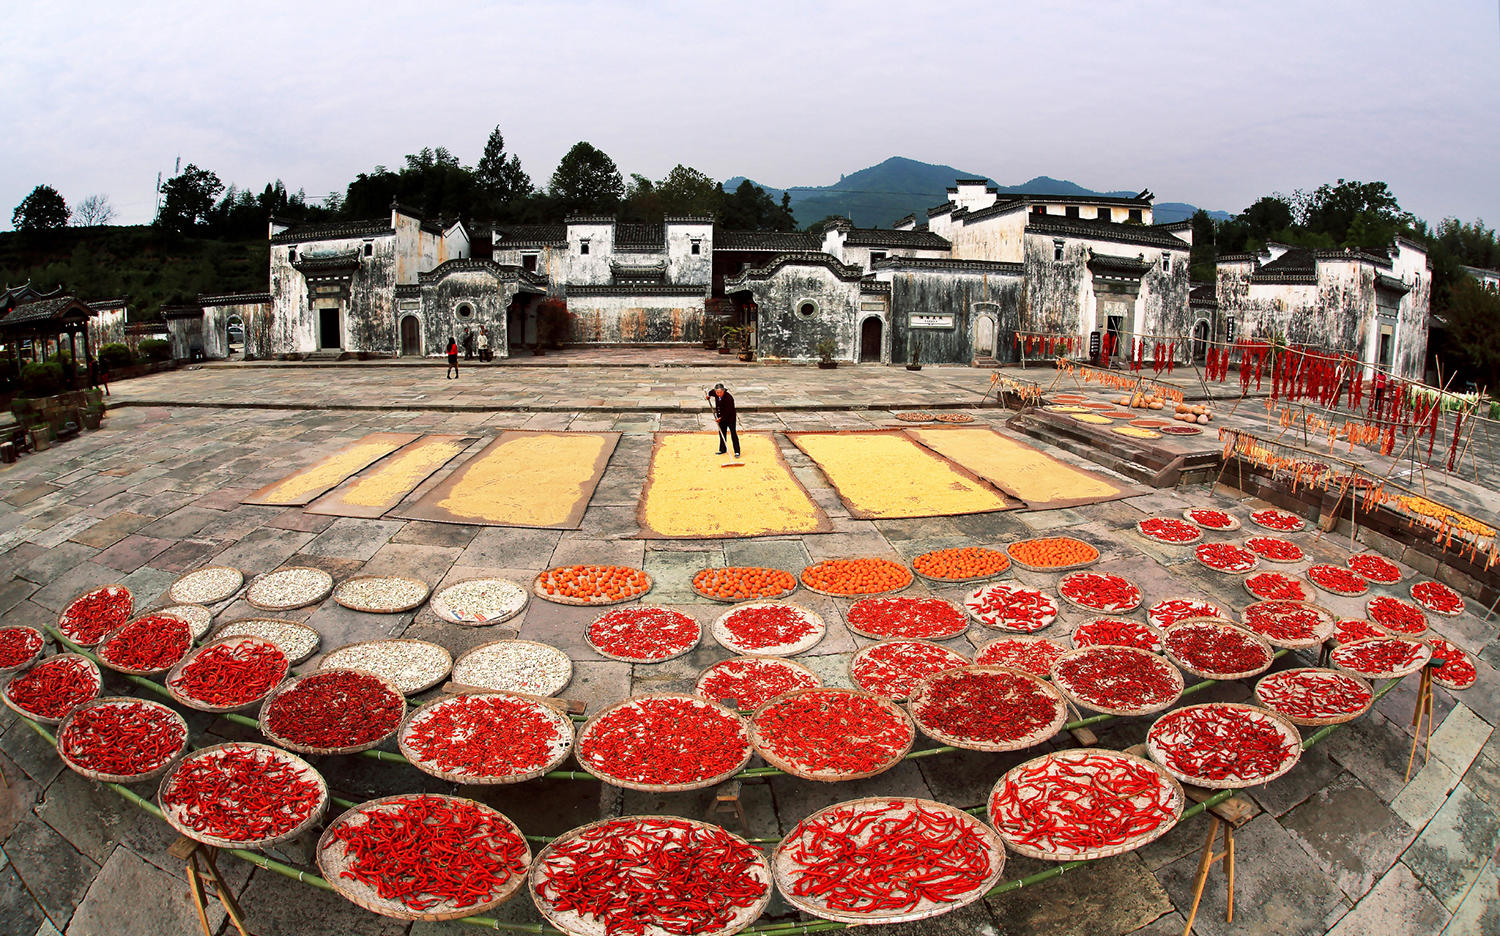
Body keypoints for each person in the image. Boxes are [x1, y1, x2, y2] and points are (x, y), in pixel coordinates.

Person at [706, 383, 739, 458]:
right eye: (717, 393)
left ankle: (737, 451)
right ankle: (722, 450)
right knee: (722, 433)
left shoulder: (729, 398)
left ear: (724, 391)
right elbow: (710, 393)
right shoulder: (715, 393)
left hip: (730, 418)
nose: (719, 394)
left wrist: (721, 418)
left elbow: (729, 411)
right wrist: (708, 396)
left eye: (720, 392)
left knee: (733, 433)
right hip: (720, 418)